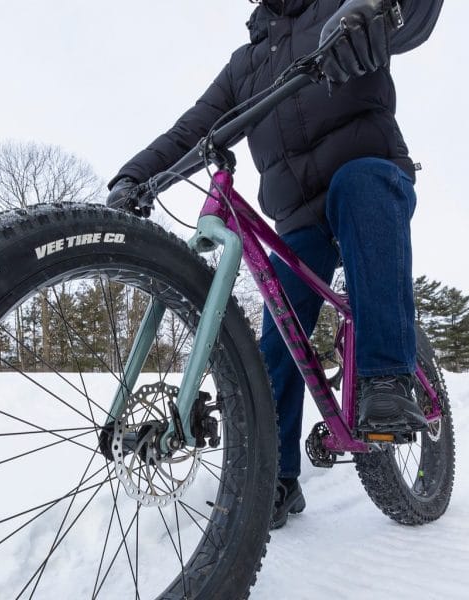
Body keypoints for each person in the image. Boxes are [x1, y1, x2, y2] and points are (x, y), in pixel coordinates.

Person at [106, 0, 444, 528]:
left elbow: (415, 13)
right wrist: (134, 178)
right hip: (297, 221)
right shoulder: (247, 64)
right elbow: (190, 130)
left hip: (365, 172)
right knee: (277, 343)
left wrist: (378, 11)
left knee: (361, 190)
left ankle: (385, 380)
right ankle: (276, 476)